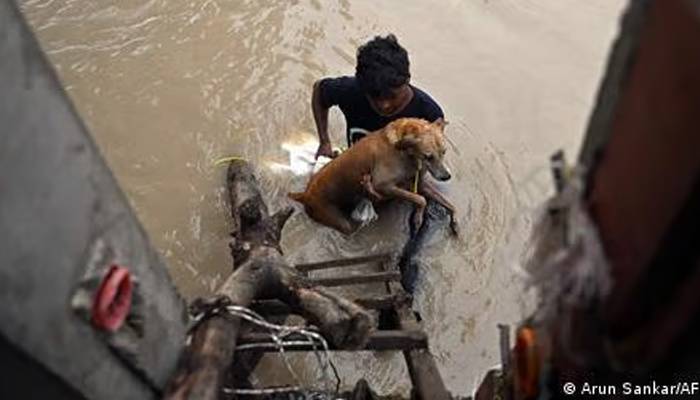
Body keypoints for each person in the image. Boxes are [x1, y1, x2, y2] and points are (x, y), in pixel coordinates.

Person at [311, 34, 445, 157]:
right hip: (358, 160)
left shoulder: (429, 115)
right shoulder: (352, 90)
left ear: (406, 81)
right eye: (374, 96)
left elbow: (430, 158)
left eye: (392, 96)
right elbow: (319, 91)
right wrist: (324, 142)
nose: (384, 105)